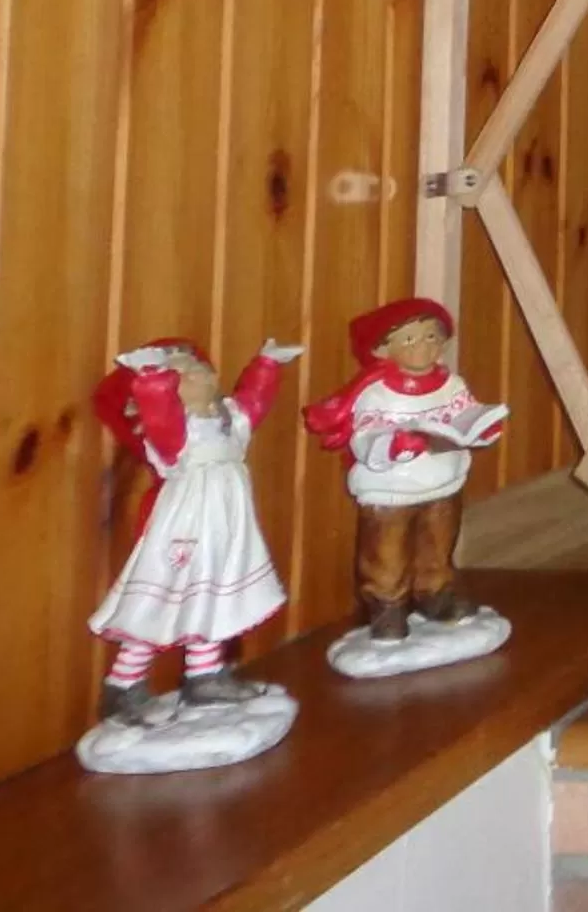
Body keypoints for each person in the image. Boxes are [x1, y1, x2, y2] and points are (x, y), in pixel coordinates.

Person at [88, 337, 303, 723]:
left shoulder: (227, 420)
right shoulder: (176, 434)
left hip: (227, 528)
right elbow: (161, 418)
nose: (199, 375)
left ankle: (204, 676)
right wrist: (152, 380)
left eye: (200, 367)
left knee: (213, 600)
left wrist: (267, 365)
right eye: (182, 373)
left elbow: (254, 402)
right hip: (187, 527)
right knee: (163, 600)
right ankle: (123, 685)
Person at [302, 298, 505, 642]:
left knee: (438, 543)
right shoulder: (377, 393)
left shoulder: (451, 385)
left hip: (442, 482)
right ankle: (387, 607)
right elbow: (365, 436)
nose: (423, 347)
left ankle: (435, 593)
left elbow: (466, 414)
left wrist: (480, 428)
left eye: (431, 337)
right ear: (383, 350)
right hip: (392, 490)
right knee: (387, 552)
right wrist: (393, 445)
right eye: (409, 340)